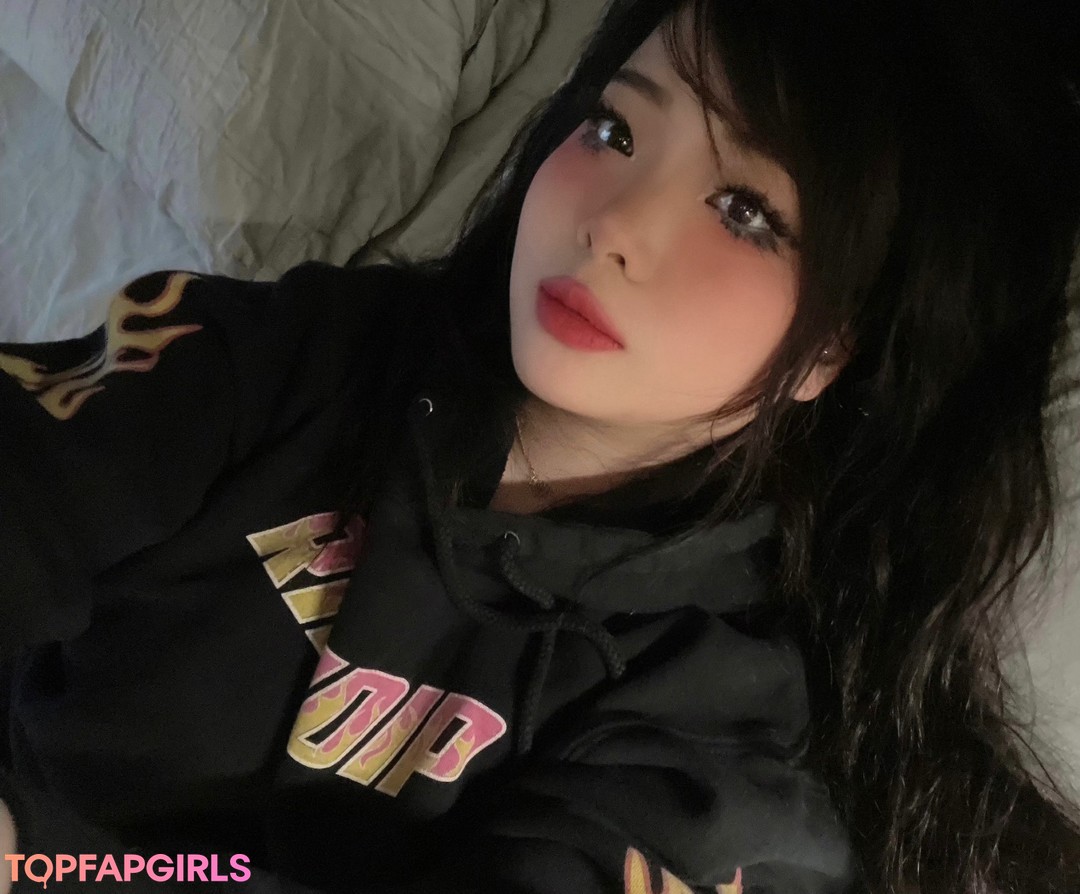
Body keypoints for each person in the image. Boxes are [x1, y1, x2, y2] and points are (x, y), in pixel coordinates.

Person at [1, 0, 1079, 891]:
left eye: (746, 211)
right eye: (615, 130)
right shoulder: (301, 357)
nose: (614, 224)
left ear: (838, 348)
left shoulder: (716, 721)